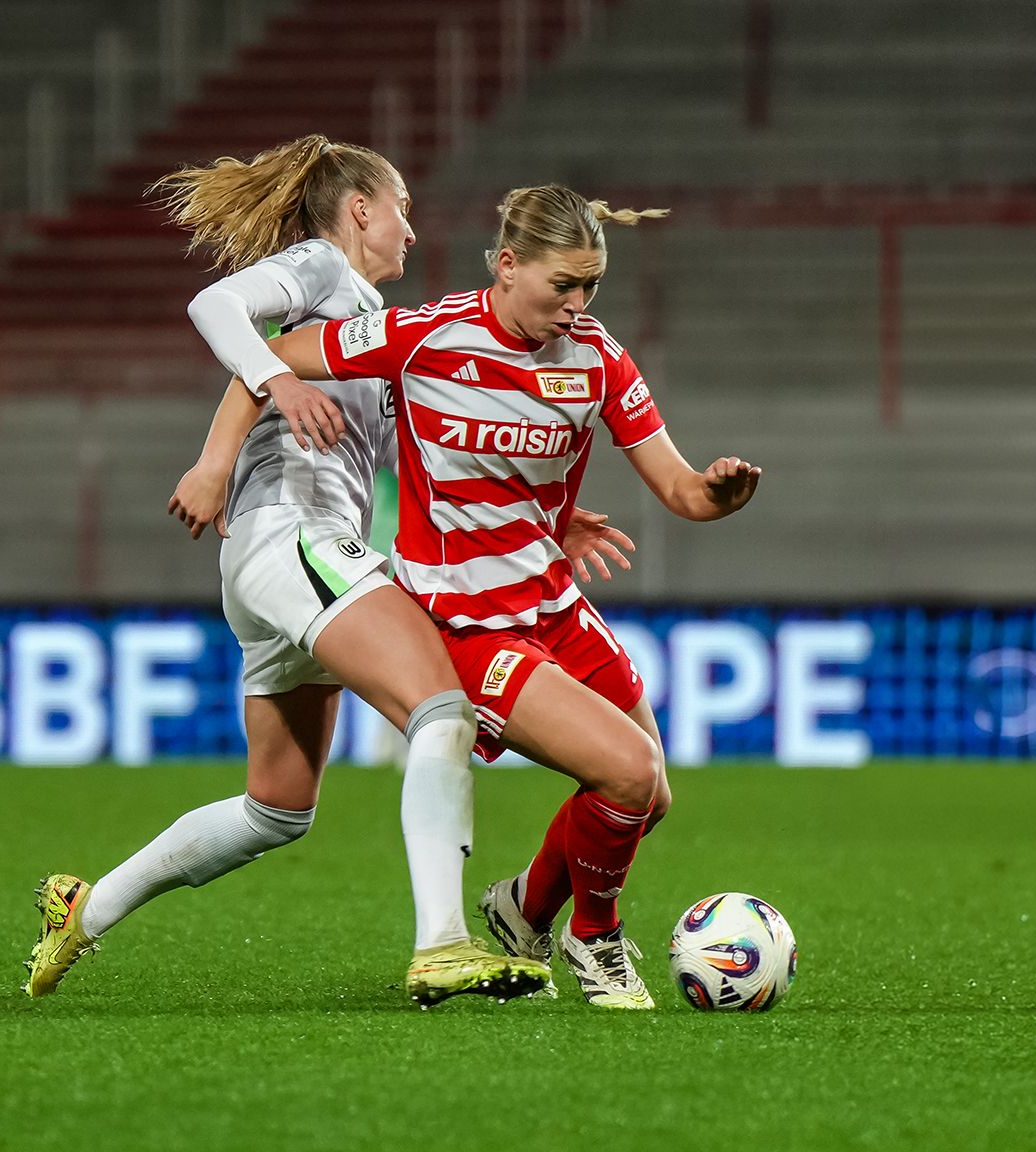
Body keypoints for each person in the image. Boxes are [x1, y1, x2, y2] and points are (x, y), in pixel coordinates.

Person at [23, 137, 631, 1005]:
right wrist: (234, 434)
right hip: (292, 533)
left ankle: (85, 909)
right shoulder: (320, 267)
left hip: (289, 555)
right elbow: (219, 308)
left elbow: (419, 447)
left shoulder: (370, 332)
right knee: (442, 707)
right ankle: (445, 944)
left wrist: (548, 515)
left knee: (276, 806)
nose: (411, 232)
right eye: (403, 210)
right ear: (359, 210)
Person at [263, 184, 761, 1007]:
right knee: (630, 777)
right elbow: (282, 353)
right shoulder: (425, 335)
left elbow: (679, 487)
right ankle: (592, 938)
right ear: (506, 265)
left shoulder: (596, 359)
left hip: (552, 607)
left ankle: (524, 910)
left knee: (650, 795)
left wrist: (719, 493)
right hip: (464, 626)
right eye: (560, 285)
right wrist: (245, 429)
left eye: (590, 287)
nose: (576, 305)